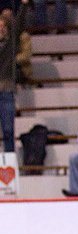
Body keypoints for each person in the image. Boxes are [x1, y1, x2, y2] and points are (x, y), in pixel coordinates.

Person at [0, 0, 27, 152]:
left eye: (3, 26)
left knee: (8, 130)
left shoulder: (11, 43)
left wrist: (23, 6)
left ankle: (9, 160)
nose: (1, 29)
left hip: (6, 90)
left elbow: (20, 24)